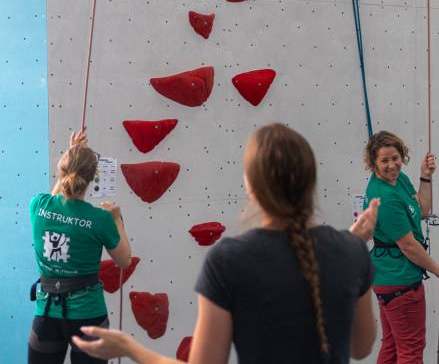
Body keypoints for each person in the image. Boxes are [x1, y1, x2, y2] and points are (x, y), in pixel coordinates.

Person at [73, 123, 380, 364]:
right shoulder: (350, 250)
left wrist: (129, 347)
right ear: (311, 182)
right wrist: (351, 249)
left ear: (251, 185)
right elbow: (362, 346)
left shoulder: (230, 259)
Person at [28, 128, 132, 364]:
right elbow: (124, 260)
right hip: (88, 315)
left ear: (61, 170)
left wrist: (73, 152)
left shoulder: (38, 205)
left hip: (46, 314)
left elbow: (54, 199)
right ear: (93, 177)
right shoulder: (100, 219)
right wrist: (116, 219)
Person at [363, 130, 439, 364]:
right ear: (374, 163)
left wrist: (425, 177)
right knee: (411, 349)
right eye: (384, 160)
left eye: (395, 158)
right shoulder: (384, 197)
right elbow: (408, 245)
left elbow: (421, 210)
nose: (392, 165)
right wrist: (438, 269)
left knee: (393, 345)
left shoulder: (399, 180)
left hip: (389, 278)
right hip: (399, 281)